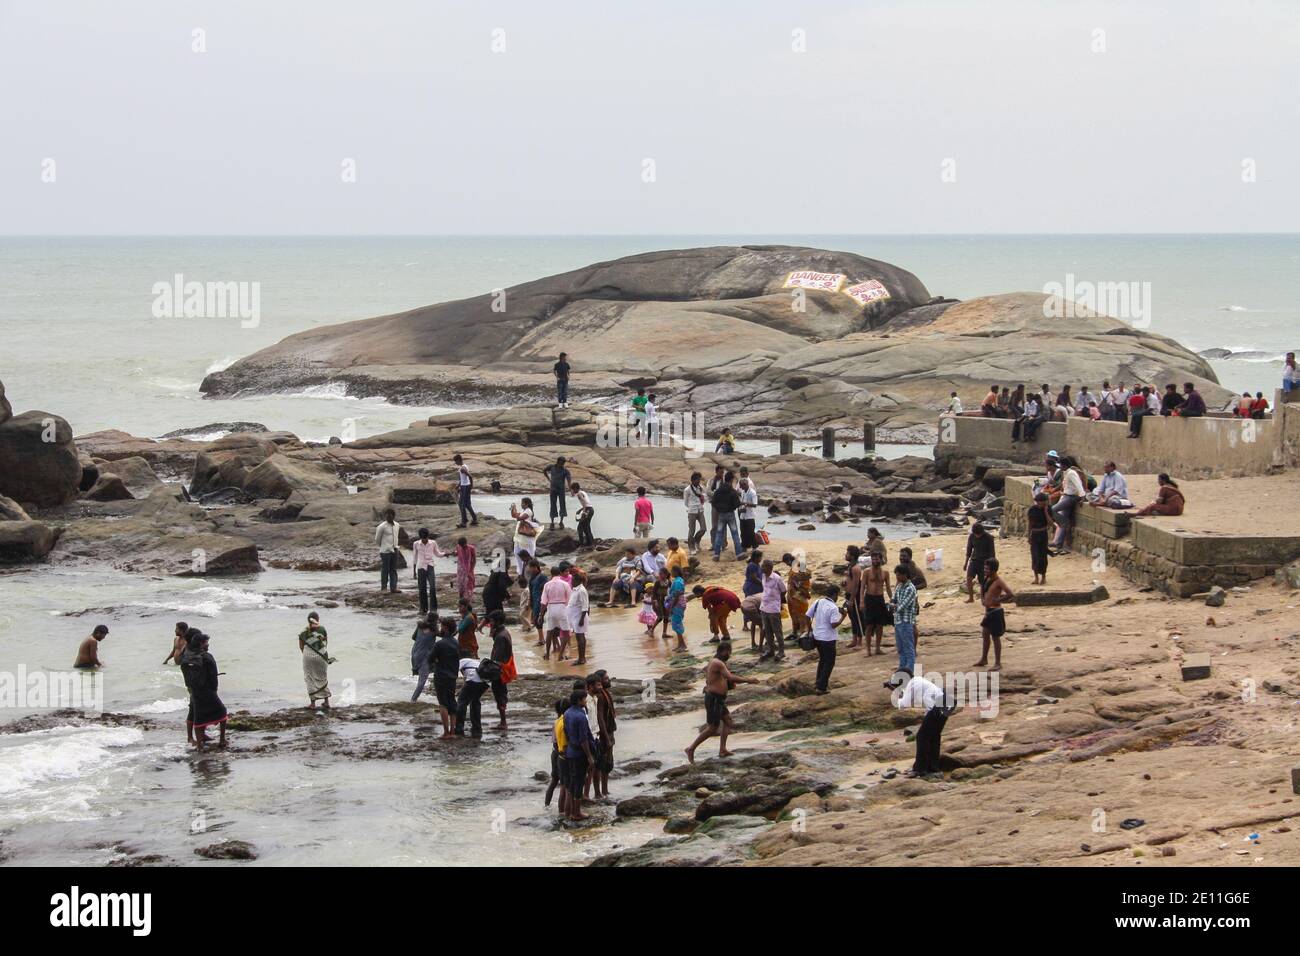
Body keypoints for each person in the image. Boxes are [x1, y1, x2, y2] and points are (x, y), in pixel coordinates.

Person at [684, 642, 760, 763]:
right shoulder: (717, 663)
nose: (729, 654)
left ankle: (722, 750)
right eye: (729, 652)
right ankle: (691, 748)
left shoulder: (716, 662)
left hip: (718, 699)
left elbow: (718, 679)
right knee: (712, 728)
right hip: (713, 698)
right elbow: (730, 677)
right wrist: (749, 680)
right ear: (724, 651)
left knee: (728, 721)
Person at [894, 674, 955, 778]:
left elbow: (904, 703)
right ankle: (933, 768)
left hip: (938, 706)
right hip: (948, 703)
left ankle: (920, 769)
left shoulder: (911, 683)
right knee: (934, 737)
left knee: (922, 737)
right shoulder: (918, 680)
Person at [180, 630, 228, 751]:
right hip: (207, 690)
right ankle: (222, 740)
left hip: (194, 690)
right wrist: (214, 690)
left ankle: (199, 744)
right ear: (201, 644)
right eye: (206, 643)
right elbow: (213, 676)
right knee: (222, 712)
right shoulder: (207, 657)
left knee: (197, 715)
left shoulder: (186, 655)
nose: (208, 645)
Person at [562, 687, 598, 820]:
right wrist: (589, 756)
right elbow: (584, 739)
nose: (585, 701)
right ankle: (576, 813)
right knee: (579, 782)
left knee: (572, 783)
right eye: (584, 699)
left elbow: (566, 732)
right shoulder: (581, 716)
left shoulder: (567, 713)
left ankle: (570, 811)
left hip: (570, 751)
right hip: (579, 754)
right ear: (579, 701)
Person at [974, 558, 1014, 672]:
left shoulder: (998, 581)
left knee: (995, 637)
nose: (985, 570)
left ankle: (998, 663)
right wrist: (982, 598)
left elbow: (1010, 593)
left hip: (995, 611)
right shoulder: (987, 578)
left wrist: (998, 599)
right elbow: (983, 588)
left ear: (994, 569)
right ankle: (984, 659)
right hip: (988, 611)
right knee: (985, 635)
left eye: (987, 568)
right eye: (984, 568)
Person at [807, 584, 843, 694]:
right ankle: (821, 687)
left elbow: (807, 615)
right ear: (835, 594)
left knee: (822, 660)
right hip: (828, 638)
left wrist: (809, 629)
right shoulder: (833, 607)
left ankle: (818, 683)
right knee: (829, 662)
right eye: (837, 595)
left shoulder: (818, 602)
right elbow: (833, 625)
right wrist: (843, 617)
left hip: (817, 636)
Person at [858, 550, 892, 655]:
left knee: (879, 625)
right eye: (873, 559)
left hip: (880, 599)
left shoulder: (885, 573)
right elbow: (862, 587)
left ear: (881, 559)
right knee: (869, 625)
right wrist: (861, 601)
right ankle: (868, 649)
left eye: (877, 559)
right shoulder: (867, 572)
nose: (875, 561)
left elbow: (888, 588)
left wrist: (893, 600)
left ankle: (877, 648)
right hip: (869, 599)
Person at [298, 611, 334, 711]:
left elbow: (301, 646)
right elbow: (325, 642)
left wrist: (307, 655)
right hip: (321, 655)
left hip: (308, 656)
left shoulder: (303, 632)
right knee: (322, 677)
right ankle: (326, 702)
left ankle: (313, 704)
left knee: (310, 678)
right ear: (318, 619)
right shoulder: (322, 629)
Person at [1049, 456, 1086, 551]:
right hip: (1066, 496)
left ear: (1064, 465)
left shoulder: (1071, 473)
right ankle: (1058, 543)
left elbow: (1078, 485)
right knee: (1063, 518)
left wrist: (1082, 496)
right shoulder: (1067, 473)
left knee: (1052, 510)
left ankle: (1063, 523)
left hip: (1070, 497)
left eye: (1060, 465)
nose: (1059, 467)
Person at [432, 618, 461, 738]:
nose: (440, 628)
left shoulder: (439, 644)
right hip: (452, 675)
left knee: (443, 704)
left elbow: (430, 658)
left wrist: (437, 660)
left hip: (441, 676)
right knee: (452, 703)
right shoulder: (456, 643)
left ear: (445, 628)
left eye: (441, 626)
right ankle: (453, 732)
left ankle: (446, 732)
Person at [486, 610, 515, 727]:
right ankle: (503, 721)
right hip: (503, 669)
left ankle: (503, 722)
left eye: (492, 621)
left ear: (497, 622)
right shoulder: (503, 632)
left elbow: (498, 658)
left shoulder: (500, 637)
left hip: (500, 671)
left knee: (499, 694)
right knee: (501, 693)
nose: (490, 624)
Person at [890, 565, 919, 677]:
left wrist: (893, 605)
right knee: (901, 648)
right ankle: (902, 668)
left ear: (904, 575)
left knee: (908, 648)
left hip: (906, 621)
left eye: (898, 574)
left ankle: (909, 670)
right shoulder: (899, 587)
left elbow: (901, 606)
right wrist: (893, 605)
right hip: (898, 621)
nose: (897, 577)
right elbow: (893, 600)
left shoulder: (910, 588)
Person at [538, 565, 572, 660]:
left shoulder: (547, 585)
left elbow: (543, 602)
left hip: (551, 608)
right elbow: (570, 599)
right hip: (562, 607)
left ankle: (547, 654)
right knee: (565, 632)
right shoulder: (565, 584)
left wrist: (540, 615)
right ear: (560, 573)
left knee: (550, 632)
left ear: (551, 574)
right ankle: (560, 655)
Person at [412, 527, 448, 616]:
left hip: (430, 566)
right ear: (420, 537)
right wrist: (414, 571)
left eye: (426, 538)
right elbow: (415, 557)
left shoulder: (433, 543)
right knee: (422, 589)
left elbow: (437, 553)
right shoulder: (416, 544)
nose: (425, 540)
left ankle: (433, 609)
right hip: (421, 567)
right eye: (423, 539)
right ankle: (423, 609)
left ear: (428, 536)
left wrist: (445, 554)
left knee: (432, 587)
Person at [592, 671, 616, 799]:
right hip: (604, 734)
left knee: (607, 764)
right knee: (600, 765)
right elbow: (600, 717)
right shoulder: (601, 696)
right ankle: (598, 793)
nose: (609, 680)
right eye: (606, 679)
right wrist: (606, 737)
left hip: (609, 732)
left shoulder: (606, 693)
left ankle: (605, 790)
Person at [758, 559, 787, 662]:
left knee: (777, 631)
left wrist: (776, 600)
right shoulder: (763, 576)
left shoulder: (777, 578)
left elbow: (784, 590)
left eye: (763, 566)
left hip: (773, 609)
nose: (762, 568)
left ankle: (781, 651)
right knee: (767, 630)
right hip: (764, 607)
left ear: (769, 568)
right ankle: (771, 650)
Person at [710, 472, 743, 561]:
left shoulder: (718, 490)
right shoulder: (732, 491)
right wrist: (732, 506)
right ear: (731, 479)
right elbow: (737, 504)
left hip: (721, 514)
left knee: (719, 534)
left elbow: (713, 502)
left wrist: (719, 509)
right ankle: (739, 553)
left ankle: (716, 555)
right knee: (735, 534)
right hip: (730, 514)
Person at [454, 654, 488, 737]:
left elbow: (454, 671)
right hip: (486, 682)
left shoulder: (462, 660)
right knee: (475, 701)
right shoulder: (474, 662)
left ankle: (459, 728)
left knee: (462, 702)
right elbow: (467, 678)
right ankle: (477, 727)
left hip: (474, 680)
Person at [546, 697, 570, 812]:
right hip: (561, 754)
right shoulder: (563, 722)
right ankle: (562, 810)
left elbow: (554, 742)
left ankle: (547, 805)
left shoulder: (556, 722)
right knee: (564, 785)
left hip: (555, 753)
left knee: (554, 781)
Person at [963, 522, 995, 602]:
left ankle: (983, 598)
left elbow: (992, 553)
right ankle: (971, 598)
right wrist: (966, 563)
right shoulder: (971, 536)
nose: (977, 536)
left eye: (979, 534)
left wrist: (992, 566)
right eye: (976, 534)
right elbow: (969, 550)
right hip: (974, 560)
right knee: (969, 578)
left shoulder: (989, 537)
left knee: (982, 582)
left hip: (985, 562)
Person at [783, 553, 811, 637]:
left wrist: (797, 581)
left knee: (801, 614)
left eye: (786, 563)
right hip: (792, 595)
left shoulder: (800, 565)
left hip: (799, 595)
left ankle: (804, 631)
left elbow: (806, 576)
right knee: (794, 614)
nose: (787, 565)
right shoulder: (794, 567)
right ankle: (795, 631)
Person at [375, 509, 402, 593]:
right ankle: (384, 588)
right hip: (385, 551)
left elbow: (396, 536)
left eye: (390, 515)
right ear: (385, 516)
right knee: (385, 569)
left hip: (395, 549)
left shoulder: (397, 525)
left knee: (393, 569)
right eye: (387, 515)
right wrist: (384, 546)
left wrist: (395, 547)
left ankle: (393, 588)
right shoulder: (381, 526)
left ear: (393, 516)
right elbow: (377, 539)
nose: (388, 516)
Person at [1026, 492, 1051, 585]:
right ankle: (1036, 577)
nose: (1042, 503)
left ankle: (1043, 577)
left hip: (1043, 533)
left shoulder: (1048, 509)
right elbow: (1030, 523)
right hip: (1035, 534)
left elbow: (1051, 523)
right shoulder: (1032, 510)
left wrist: (1045, 512)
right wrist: (1028, 535)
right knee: (1035, 556)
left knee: (1043, 556)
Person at [509, 497, 539, 574]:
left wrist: (515, 509)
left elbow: (519, 518)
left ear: (527, 504)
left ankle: (526, 570)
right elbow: (514, 515)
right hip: (518, 537)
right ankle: (520, 571)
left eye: (522, 503)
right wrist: (513, 509)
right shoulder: (524, 510)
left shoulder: (529, 511)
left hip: (525, 537)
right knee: (517, 553)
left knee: (526, 554)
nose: (521, 504)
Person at [843, 545, 865, 648]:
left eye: (847, 553)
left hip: (854, 597)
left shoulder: (856, 568)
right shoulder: (850, 566)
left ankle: (860, 641)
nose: (845, 555)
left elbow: (856, 585)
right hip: (848, 595)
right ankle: (854, 639)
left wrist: (852, 600)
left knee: (858, 618)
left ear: (852, 556)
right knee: (852, 618)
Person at [567, 569, 590, 665]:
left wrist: (581, 619)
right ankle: (580, 658)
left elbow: (585, 606)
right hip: (575, 617)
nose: (571, 581)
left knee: (581, 638)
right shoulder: (575, 589)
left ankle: (582, 658)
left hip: (579, 617)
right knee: (578, 637)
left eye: (572, 580)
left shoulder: (581, 590)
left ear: (577, 580)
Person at [542, 456, 571, 529]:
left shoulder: (565, 470)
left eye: (564, 463)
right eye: (562, 462)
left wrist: (570, 488)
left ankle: (561, 522)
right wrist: (549, 479)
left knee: (562, 505)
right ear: (558, 461)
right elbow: (544, 470)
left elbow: (569, 479)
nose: (563, 464)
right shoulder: (551, 467)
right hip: (553, 490)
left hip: (561, 490)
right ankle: (552, 523)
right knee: (553, 505)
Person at [683, 471, 709, 554]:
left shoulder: (701, 488)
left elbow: (705, 498)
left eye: (699, 479)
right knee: (692, 530)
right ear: (693, 480)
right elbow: (686, 502)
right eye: (697, 479)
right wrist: (691, 507)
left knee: (703, 529)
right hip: (692, 511)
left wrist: (702, 498)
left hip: (700, 510)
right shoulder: (687, 490)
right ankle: (691, 548)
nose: (699, 481)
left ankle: (696, 541)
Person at [667, 566, 689, 653]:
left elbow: (677, 595)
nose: (671, 573)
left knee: (677, 624)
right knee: (677, 623)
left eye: (672, 571)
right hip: (679, 604)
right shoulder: (679, 580)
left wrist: (672, 607)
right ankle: (680, 644)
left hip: (677, 604)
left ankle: (683, 645)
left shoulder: (677, 581)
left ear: (676, 572)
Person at [452, 454, 477, 528]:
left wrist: (471, 486)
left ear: (459, 460)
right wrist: (459, 485)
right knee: (467, 504)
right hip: (465, 486)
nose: (455, 463)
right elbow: (463, 479)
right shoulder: (464, 466)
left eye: (456, 461)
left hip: (465, 487)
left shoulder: (463, 468)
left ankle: (464, 522)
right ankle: (474, 519)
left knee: (461, 504)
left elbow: (470, 476)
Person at [451, 536, 476, 603]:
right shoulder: (458, 547)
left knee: (469, 585)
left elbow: (474, 560)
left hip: (469, 569)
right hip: (460, 570)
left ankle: (468, 602)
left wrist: (471, 570)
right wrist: (453, 553)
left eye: (463, 545)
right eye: (461, 545)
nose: (462, 547)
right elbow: (457, 553)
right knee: (461, 586)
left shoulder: (471, 548)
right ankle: (461, 601)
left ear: (466, 543)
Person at [570, 481, 595, 547]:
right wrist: (580, 510)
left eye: (572, 489)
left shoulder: (579, 494)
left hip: (587, 510)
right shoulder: (583, 492)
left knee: (580, 528)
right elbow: (586, 503)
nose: (572, 491)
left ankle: (582, 545)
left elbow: (584, 503)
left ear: (575, 488)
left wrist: (583, 512)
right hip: (591, 509)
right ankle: (590, 543)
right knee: (587, 527)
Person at [737, 477, 759, 550]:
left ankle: (755, 546)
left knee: (750, 532)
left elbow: (755, 504)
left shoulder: (752, 492)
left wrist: (745, 503)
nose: (740, 487)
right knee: (743, 532)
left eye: (741, 486)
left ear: (745, 485)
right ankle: (744, 546)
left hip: (750, 516)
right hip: (743, 515)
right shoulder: (743, 492)